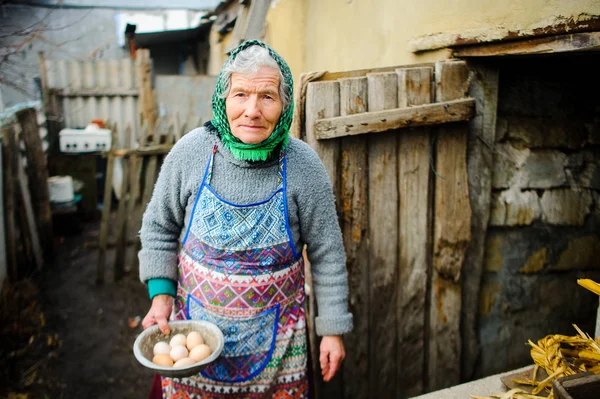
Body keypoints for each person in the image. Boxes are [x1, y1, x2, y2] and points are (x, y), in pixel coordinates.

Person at [139, 40, 353, 398]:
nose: (252, 110)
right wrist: (160, 295)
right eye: (240, 94)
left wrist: (331, 330)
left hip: (278, 348)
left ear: (285, 105)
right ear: (223, 100)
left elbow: (328, 253)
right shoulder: (191, 152)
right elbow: (159, 227)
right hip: (193, 340)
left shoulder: (303, 166)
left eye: (267, 96)